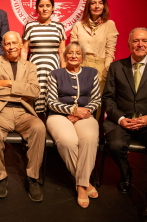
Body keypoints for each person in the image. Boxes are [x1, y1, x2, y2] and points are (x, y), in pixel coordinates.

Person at [102, 27, 147, 221]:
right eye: (135, 41)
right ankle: (126, 175)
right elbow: (108, 98)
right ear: (128, 44)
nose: (140, 44)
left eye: (144, 41)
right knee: (114, 145)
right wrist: (120, 119)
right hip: (122, 121)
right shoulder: (117, 67)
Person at [0, 31, 45, 202]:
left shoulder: (30, 66)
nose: (11, 47)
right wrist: (20, 91)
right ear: (3, 47)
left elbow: (34, 91)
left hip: (23, 112)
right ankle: (0, 177)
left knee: (39, 128)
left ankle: (32, 178)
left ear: (20, 44)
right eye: (7, 44)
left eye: (14, 43)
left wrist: (8, 83)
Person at [45, 42, 101, 208]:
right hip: (59, 115)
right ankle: (84, 184)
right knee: (67, 140)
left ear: (82, 57)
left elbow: (97, 99)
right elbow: (51, 102)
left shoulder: (92, 73)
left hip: (85, 114)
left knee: (90, 138)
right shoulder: (55, 74)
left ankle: (80, 184)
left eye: (77, 53)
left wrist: (83, 112)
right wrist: (73, 110)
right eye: (70, 53)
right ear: (65, 55)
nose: (74, 56)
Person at [70, 0, 118, 121]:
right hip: (80, 64)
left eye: (100, 3)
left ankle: (94, 129)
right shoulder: (78, 26)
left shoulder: (110, 24)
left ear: (104, 6)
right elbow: (72, 49)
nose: (97, 6)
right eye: (93, 3)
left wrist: (107, 68)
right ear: (88, 6)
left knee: (97, 102)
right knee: (78, 98)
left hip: (100, 66)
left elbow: (110, 50)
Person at [21, 0, 66, 119]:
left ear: (52, 8)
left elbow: (62, 52)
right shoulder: (30, 26)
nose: (45, 8)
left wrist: (63, 73)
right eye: (41, 6)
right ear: (37, 8)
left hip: (53, 71)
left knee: (51, 101)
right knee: (35, 102)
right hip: (34, 71)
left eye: (48, 5)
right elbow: (24, 50)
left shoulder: (59, 27)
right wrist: (23, 71)